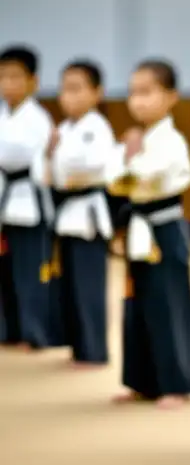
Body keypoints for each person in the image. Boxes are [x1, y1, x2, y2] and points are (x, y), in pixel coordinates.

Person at [107, 59, 190, 408]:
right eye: (133, 93)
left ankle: (177, 382)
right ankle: (141, 380)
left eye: (147, 92)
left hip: (164, 228)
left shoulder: (171, 140)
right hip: (138, 226)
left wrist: (131, 158)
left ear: (171, 97)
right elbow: (113, 180)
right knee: (137, 304)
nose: (139, 101)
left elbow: (143, 177)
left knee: (168, 303)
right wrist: (129, 158)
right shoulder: (138, 139)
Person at [41, 60, 116, 366]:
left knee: (89, 287)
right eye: (64, 89)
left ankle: (94, 349)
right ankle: (78, 347)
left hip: (89, 214)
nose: (68, 97)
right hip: (66, 212)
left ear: (96, 93)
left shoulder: (97, 127)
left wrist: (59, 161)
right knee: (70, 287)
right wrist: (50, 155)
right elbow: (44, 174)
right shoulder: (63, 129)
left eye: (76, 89)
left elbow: (95, 166)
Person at [0, 45, 61, 350]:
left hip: (29, 202)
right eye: (2, 77)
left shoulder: (38, 118)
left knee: (30, 274)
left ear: (32, 81)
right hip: (4, 202)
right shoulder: (3, 114)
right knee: (5, 274)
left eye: (15, 77)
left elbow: (14, 155)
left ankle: (34, 331)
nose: (8, 84)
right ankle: (8, 329)